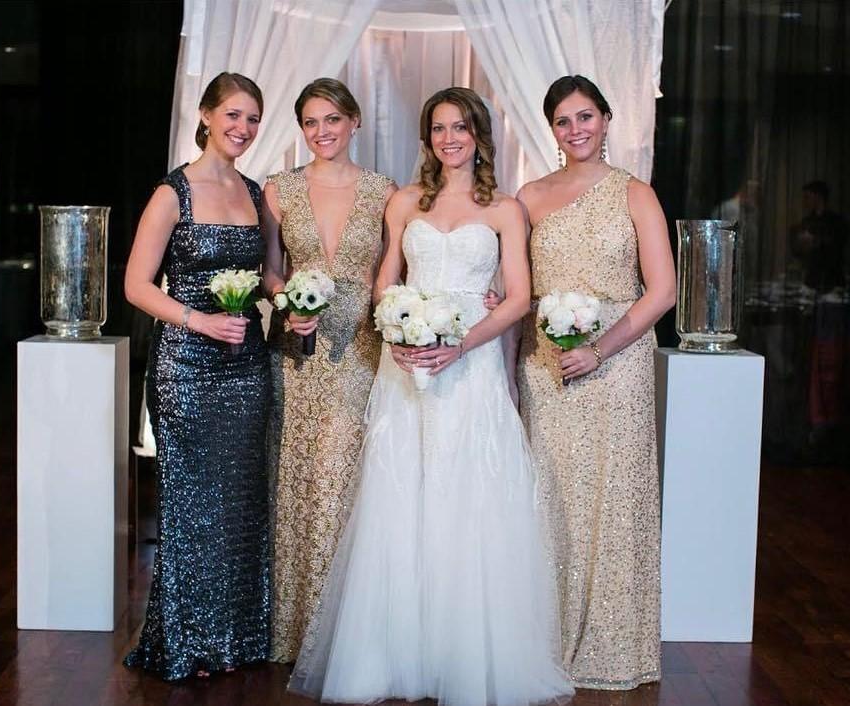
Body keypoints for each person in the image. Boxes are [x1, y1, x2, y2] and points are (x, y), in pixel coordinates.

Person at [288, 87, 573, 706]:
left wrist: (461, 344)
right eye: (439, 128)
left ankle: (460, 655)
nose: (450, 139)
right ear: (428, 139)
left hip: (471, 365)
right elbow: (384, 281)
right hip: (406, 365)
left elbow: (518, 298)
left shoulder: (504, 210)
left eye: (460, 127)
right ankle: (396, 655)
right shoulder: (404, 203)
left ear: (479, 135)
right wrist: (395, 332)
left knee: (466, 494)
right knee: (403, 495)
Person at [506, 75, 675, 689]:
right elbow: (514, 289)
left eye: (585, 117)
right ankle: (543, 643)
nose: (575, 129)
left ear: (605, 119)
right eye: (563, 120)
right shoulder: (529, 197)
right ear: (551, 129)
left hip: (618, 367)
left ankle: (611, 646)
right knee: (549, 499)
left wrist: (600, 349)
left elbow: (662, 292)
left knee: (613, 500)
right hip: (546, 366)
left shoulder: (635, 194)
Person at [122, 72, 271, 680]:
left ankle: (236, 636)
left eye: (253, 118)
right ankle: (188, 642)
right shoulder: (172, 193)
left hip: (247, 364)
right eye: (233, 115)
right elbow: (136, 286)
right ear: (206, 116)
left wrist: (302, 301)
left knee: (239, 503)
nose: (243, 128)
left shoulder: (255, 193)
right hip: (186, 365)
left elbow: (267, 277)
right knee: (191, 504)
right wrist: (198, 320)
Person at [261, 77, 396, 663]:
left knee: (343, 478)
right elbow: (270, 269)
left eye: (333, 119)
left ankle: (341, 634)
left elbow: (393, 271)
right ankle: (292, 631)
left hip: (359, 351)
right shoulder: (279, 189)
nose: (322, 131)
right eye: (311, 122)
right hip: (295, 351)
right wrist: (287, 301)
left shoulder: (384, 192)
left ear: (355, 121)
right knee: (293, 478)